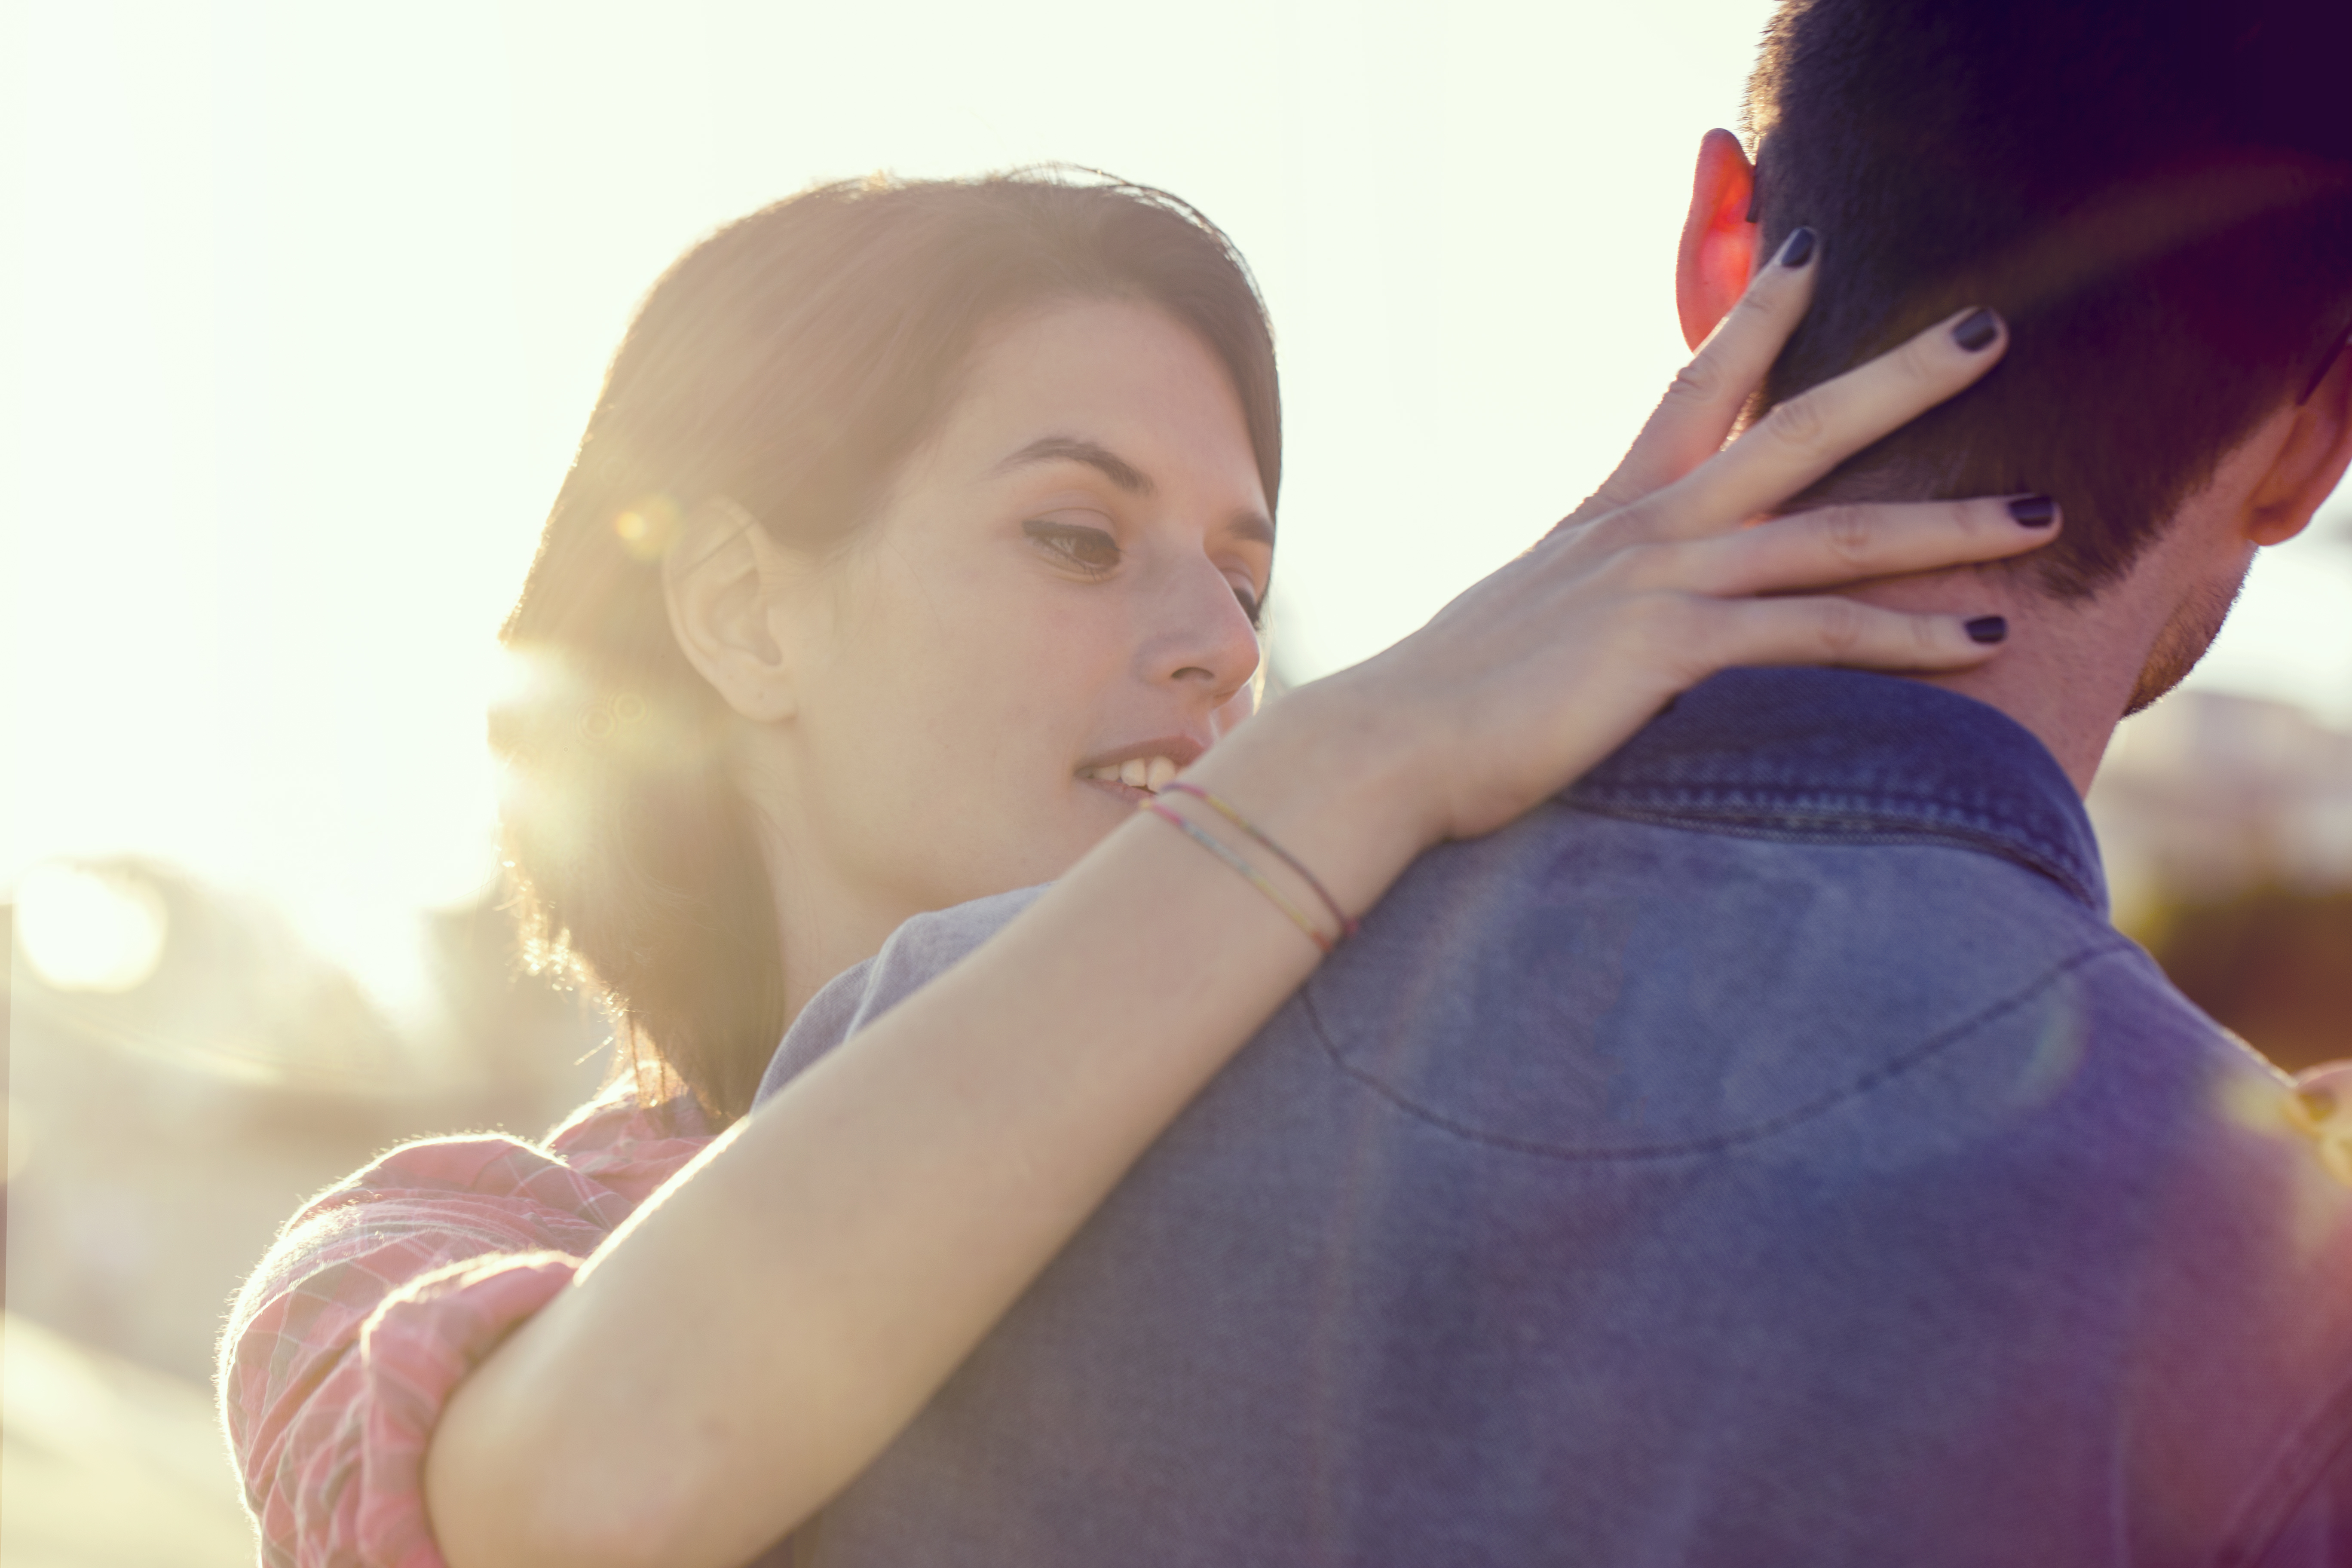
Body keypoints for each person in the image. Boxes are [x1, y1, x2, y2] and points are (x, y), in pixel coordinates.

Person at [221, 170, 2038, 1568]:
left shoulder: (1386, 1168)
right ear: (742, 612)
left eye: (1244, 579)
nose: (1221, 648)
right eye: (1079, 536)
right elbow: (611, 1478)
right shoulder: (422, 1266)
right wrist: (1372, 745)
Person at [737, 4, 2352, 1565]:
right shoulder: (2283, 1307)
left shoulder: (913, 1063)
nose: (1213, 654)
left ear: (1725, 245)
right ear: (2313, 443)